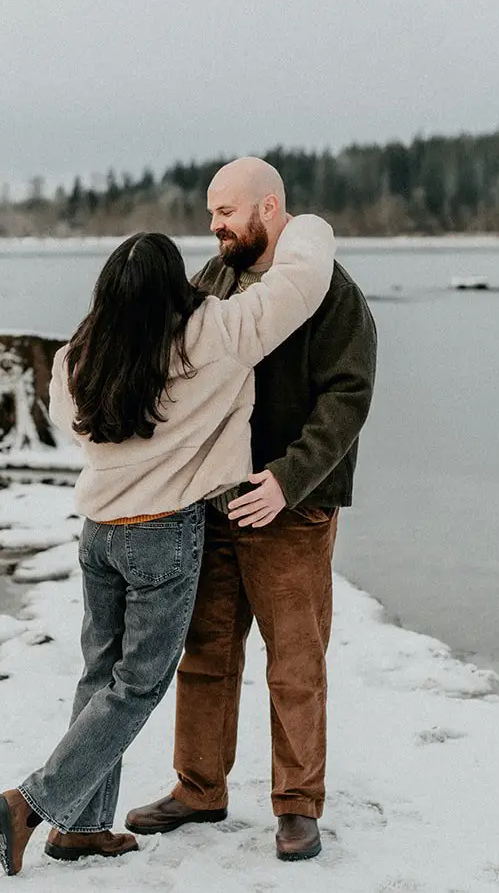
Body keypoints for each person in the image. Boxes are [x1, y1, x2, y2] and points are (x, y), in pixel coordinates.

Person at [0, 207, 337, 877]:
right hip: (163, 536)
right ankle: (32, 803)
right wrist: (304, 222)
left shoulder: (80, 358)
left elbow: (72, 419)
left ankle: (83, 828)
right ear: (175, 287)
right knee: (137, 687)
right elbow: (303, 282)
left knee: (99, 676)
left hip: (98, 536)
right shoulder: (218, 334)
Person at [125, 157, 377, 862]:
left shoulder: (331, 291)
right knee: (205, 649)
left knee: (295, 660)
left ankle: (298, 805)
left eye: (225, 212)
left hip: (290, 507)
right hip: (216, 499)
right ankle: (199, 786)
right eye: (210, 213)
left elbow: (348, 396)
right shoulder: (217, 278)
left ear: (269, 209)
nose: (213, 225)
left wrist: (288, 479)